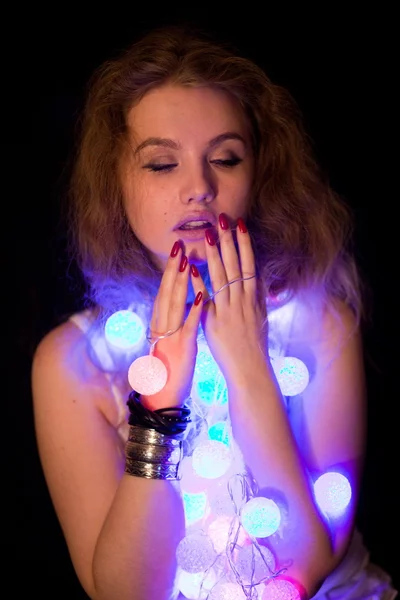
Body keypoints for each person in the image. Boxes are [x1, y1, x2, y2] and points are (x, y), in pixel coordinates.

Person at [31, 24, 397, 600]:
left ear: (259, 172)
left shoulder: (319, 324)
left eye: (225, 158)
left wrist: (248, 363)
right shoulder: (75, 364)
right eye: (161, 164)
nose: (199, 187)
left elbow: (310, 563)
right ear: (115, 182)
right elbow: (125, 593)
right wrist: (159, 408)